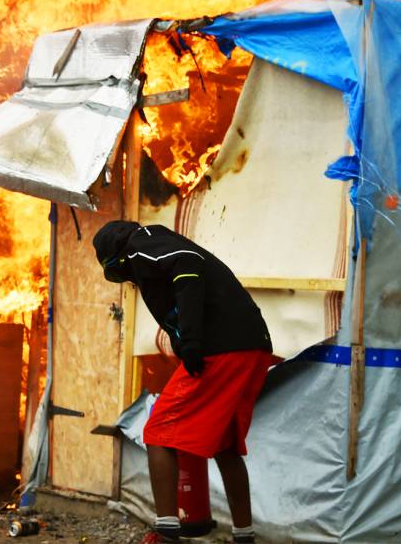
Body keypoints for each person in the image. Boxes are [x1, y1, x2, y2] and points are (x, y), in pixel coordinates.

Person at [93, 221, 272, 544]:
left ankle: (165, 533)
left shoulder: (141, 242)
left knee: (158, 431)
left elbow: (186, 262)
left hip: (223, 348)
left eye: (123, 274)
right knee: (225, 445)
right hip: (253, 346)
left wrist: (191, 341)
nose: (130, 280)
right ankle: (244, 536)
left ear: (117, 257)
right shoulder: (153, 243)